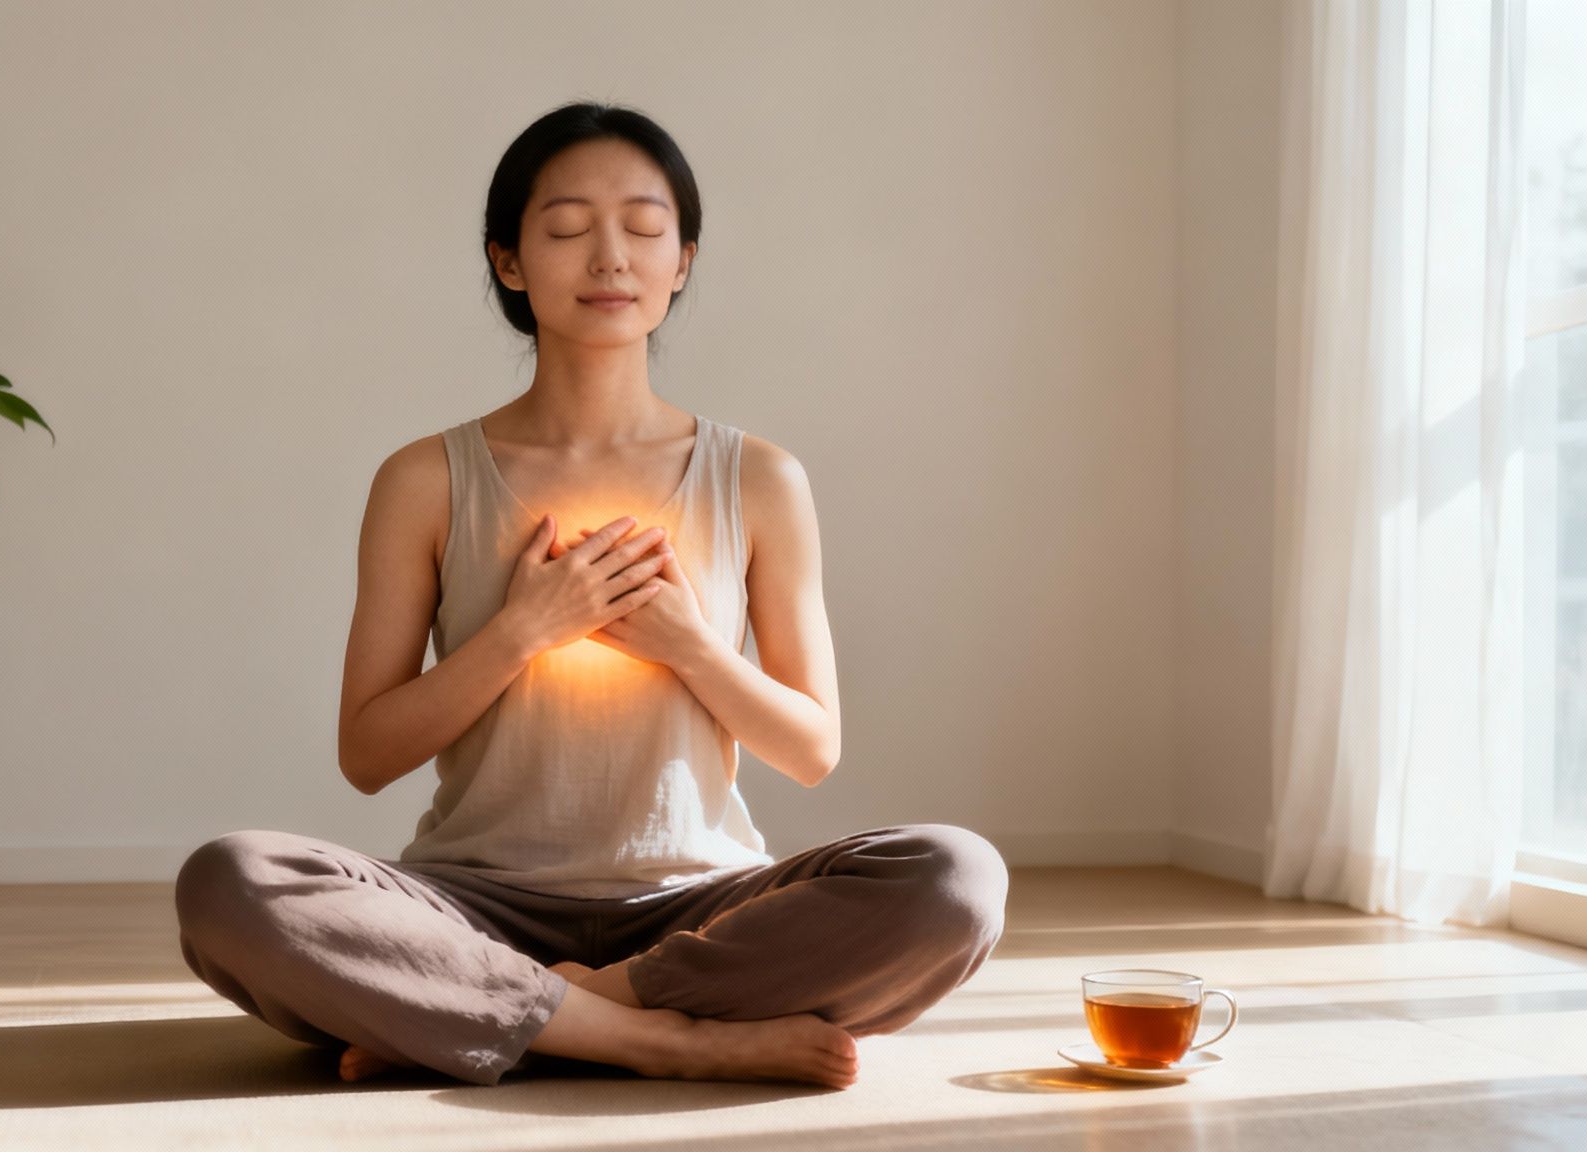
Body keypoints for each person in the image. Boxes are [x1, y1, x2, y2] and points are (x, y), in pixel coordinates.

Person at [175, 100, 1008, 1090]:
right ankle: (660, 1040)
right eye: (566, 229)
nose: (609, 256)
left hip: (698, 911)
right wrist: (524, 628)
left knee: (954, 881)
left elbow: (809, 748)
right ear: (509, 262)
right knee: (230, 884)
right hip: (468, 906)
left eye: (644, 229)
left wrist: (688, 647)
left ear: (681, 262)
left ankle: (512, 1010)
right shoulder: (424, 480)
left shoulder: (759, 480)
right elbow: (367, 754)